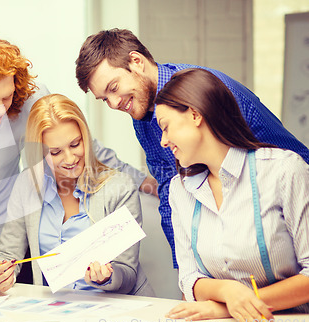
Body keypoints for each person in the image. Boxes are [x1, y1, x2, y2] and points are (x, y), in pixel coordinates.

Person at [0, 28, 148, 280]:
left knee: (32, 289)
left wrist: (138, 179)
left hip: (5, 222)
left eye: (5, 98)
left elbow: (79, 141)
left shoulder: (29, 97)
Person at [75, 28, 309, 268]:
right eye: (104, 98)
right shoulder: (142, 113)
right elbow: (168, 188)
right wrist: (187, 276)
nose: (113, 104)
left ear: (137, 62)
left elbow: (290, 166)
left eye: (113, 88)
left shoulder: (209, 91)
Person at [153, 69, 309, 322]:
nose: (163, 141)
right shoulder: (179, 190)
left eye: (166, 127)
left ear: (194, 114)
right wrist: (227, 292)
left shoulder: (284, 170)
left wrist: (232, 305)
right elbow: (189, 278)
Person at [0, 94, 154, 296]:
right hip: (57, 308)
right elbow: (7, 254)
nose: (70, 158)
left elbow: (127, 274)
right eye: (55, 152)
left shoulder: (120, 187)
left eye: (75, 144)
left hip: (116, 309)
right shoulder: (26, 185)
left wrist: (107, 276)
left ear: (86, 138)